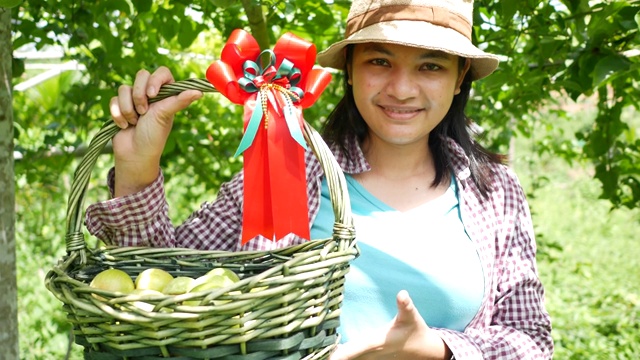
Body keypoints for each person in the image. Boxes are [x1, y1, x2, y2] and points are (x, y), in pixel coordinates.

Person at [86, 0, 554, 358]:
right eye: (379, 61)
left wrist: (438, 349)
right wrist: (137, 165)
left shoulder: (495, 191)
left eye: (431, 65)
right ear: (349, 70)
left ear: (459, 78)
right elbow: (157, 283)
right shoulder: (288, 167)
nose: (403, 88)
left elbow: (531, 341)